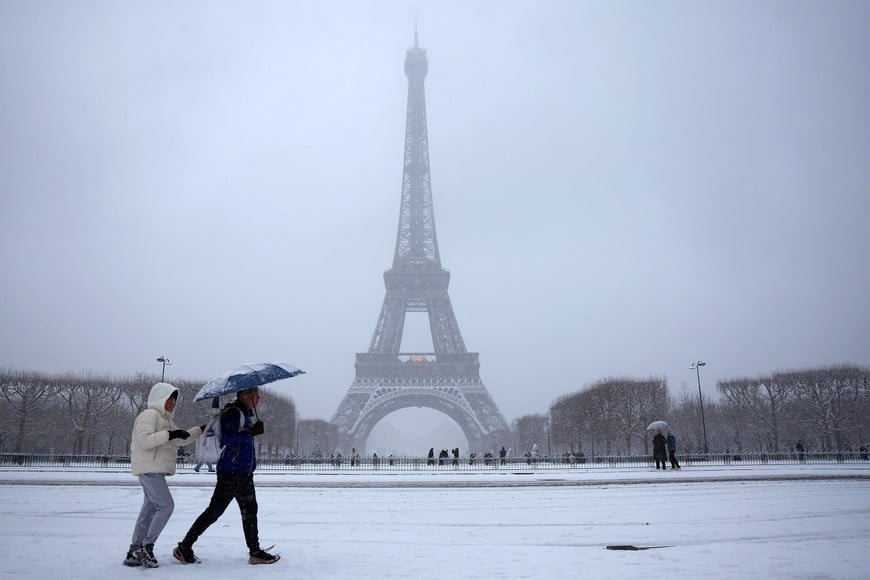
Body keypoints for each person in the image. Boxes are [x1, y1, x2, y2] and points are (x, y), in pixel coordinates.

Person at [173, 387, 280, 566]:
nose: (259, 399)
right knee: (215, 511)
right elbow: (226, 438)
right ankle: (184, 546)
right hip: (231, 472)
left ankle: (255, 552)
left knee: (250, 511)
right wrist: (250, 432)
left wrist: (251, 431)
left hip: (242, 472)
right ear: (246, 396)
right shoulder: (232, 413)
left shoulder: (245, 413)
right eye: (256, 396)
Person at [124, 383, 204, 568]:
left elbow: (180, 438)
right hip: (149, 469)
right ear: (160, 398)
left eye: (175, 399)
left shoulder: (165, 420)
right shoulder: (149, 415)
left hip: (153, 470)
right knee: (166, 506)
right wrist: (169, 434)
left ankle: (134, 551)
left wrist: (201, 429)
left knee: (149, 511)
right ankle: (146, 547)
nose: (173, 402)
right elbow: (145, 441)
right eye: (170, 398)